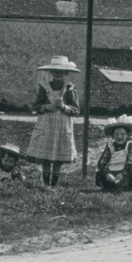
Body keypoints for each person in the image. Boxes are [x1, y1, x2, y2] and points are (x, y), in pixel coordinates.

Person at [27, 56, 80, 187]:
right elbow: (36, 106)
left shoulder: (70, 89)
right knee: (46, 156)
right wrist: (46, 107)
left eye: (61, 71)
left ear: (66, 73)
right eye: (55, 71)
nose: (58, 73)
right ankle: (45, 184)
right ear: (51, 72)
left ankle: (53, 185)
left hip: (62, 125)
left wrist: (64, 107)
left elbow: (76, 110)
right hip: (47, 124)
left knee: (58, 156)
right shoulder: (44, 87)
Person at [95, 114, 132, 194]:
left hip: (125, 169)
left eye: (122, 134)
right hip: (112, 168)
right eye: (116, 134)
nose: (119, 137)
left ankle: (125, 184)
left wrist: (122, 173)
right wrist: (107, 173)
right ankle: (110, 184)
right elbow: (103, 161)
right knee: (101, 174)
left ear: (127, 135)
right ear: (113, 136)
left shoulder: (130, 145)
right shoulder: (111, 146)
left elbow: (131, 161)